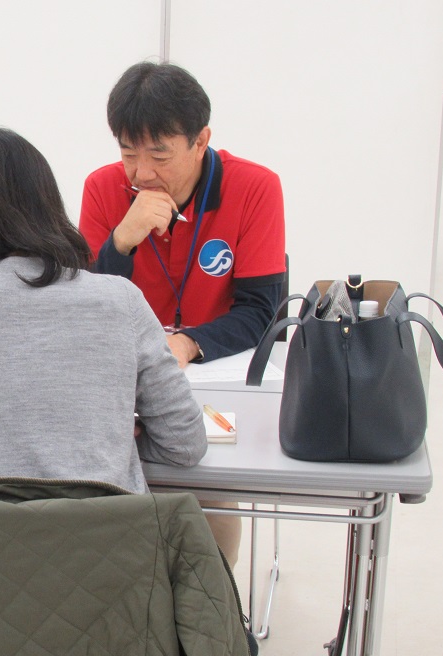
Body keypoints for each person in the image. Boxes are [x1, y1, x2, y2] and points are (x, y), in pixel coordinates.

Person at [0, 127, 207, 495]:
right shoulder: (120, 300)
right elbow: (184, 445)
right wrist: (109, 443)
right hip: (104, 529)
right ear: (46, 203)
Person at [79, 61, 286, 568]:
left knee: (210, 497)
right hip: (125, 381)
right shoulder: (103, 189)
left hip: (218, 376)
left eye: (159, 154)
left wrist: (187, 344)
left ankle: (211, 603)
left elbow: (262, 311)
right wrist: (121, 241)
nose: (141, 173)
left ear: (201, 141)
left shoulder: (255, 188)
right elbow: (85, 307)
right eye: (128, 153)